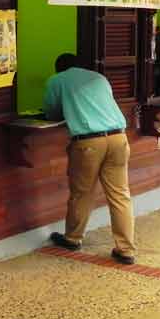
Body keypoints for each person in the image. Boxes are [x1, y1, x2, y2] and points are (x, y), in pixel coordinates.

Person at [43, 53, 137, 265]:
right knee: (120, 195)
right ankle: (126, 250)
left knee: (82, 193)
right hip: (119, 138)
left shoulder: (58, 80)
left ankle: (73, 238)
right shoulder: (98, 78)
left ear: (59, 68)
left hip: (89, 143)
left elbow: (51, 112)